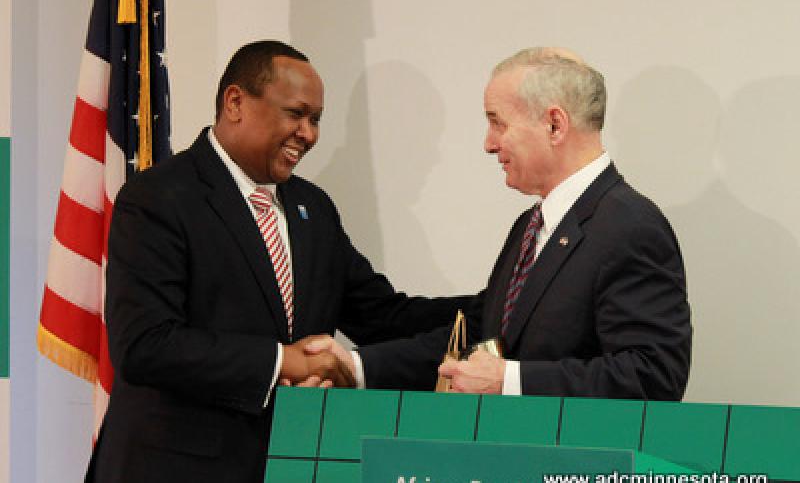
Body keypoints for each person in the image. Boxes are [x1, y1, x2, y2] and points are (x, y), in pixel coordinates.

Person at [84, 40, 465, 483]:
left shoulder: (313, 209)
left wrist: (497, 308)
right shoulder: (158, 197)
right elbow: (145, 345)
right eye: (296, 114)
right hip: (171, 469)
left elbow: (384, 316)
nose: (309, 134)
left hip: (286, 464)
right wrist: (282, 361)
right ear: (235, 102)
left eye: (315, 119)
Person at [322, 47, 691, 400]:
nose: (489, 143)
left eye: (497, 122)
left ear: (554, 125)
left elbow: (652, 376)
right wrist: (355, 367)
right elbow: (479, 334)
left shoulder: (630, 226)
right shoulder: (530, 226)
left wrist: (510, 380)